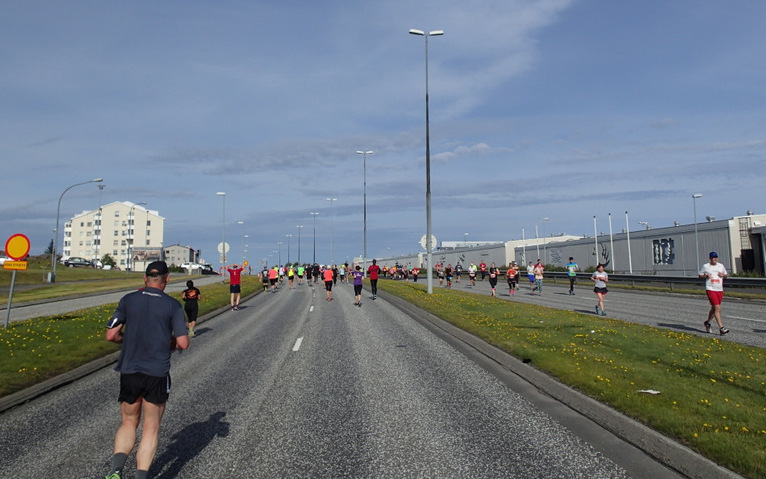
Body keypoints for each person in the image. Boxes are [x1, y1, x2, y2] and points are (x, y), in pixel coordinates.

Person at [103, 261, 189, 479]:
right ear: (167, 279)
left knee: (128, 422)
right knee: (150, 429)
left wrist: (127, 338)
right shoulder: (173, 305)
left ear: (145, 278)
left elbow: (111, 335)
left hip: (130, 370)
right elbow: (183, 343)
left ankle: (115, 472)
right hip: (156, 373)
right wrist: (169, 343)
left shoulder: (128, 300)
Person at [699, 251, 730, 335]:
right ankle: (721, 328)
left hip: (719, 289)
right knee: (718, 308)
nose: (715, 259)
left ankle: (707, 323)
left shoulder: (721, 266)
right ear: (710, 258)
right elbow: (700, 275)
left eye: (716, 257)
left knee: (714, 308)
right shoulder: (706, 266)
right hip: (710, 288)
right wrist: (706, 276)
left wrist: (723, 275)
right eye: (713, 257)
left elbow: (726, 275)